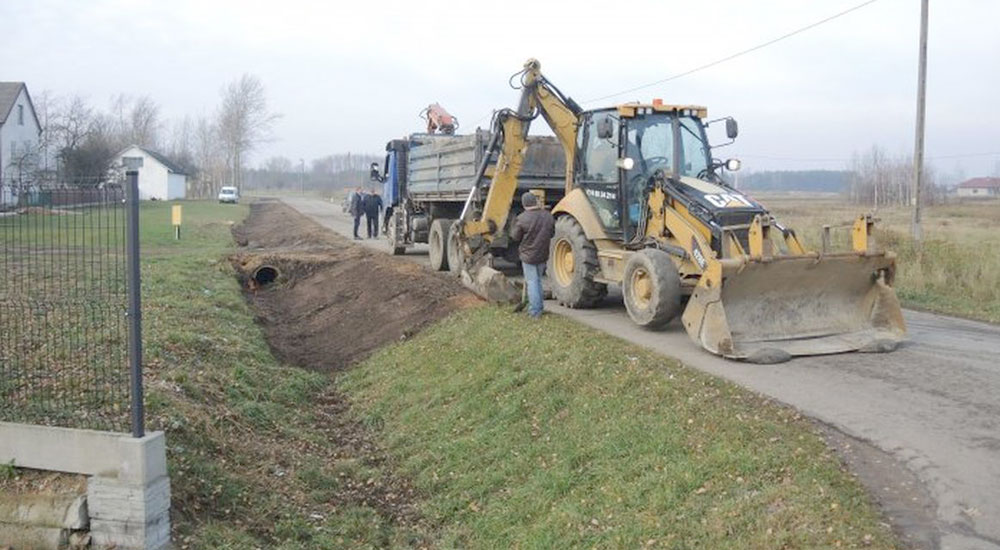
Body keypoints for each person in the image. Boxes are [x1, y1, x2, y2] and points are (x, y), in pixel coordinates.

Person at [510, 191, 555, 319]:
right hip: (543, 253)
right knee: (538, 281)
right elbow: (552, 233)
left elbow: (515, 236)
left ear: (524, 204)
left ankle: (535, 311)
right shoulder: (548, 216)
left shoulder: (522, 218)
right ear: (535, 202)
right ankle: (539, 307)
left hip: (528, 255)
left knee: (532, 282)